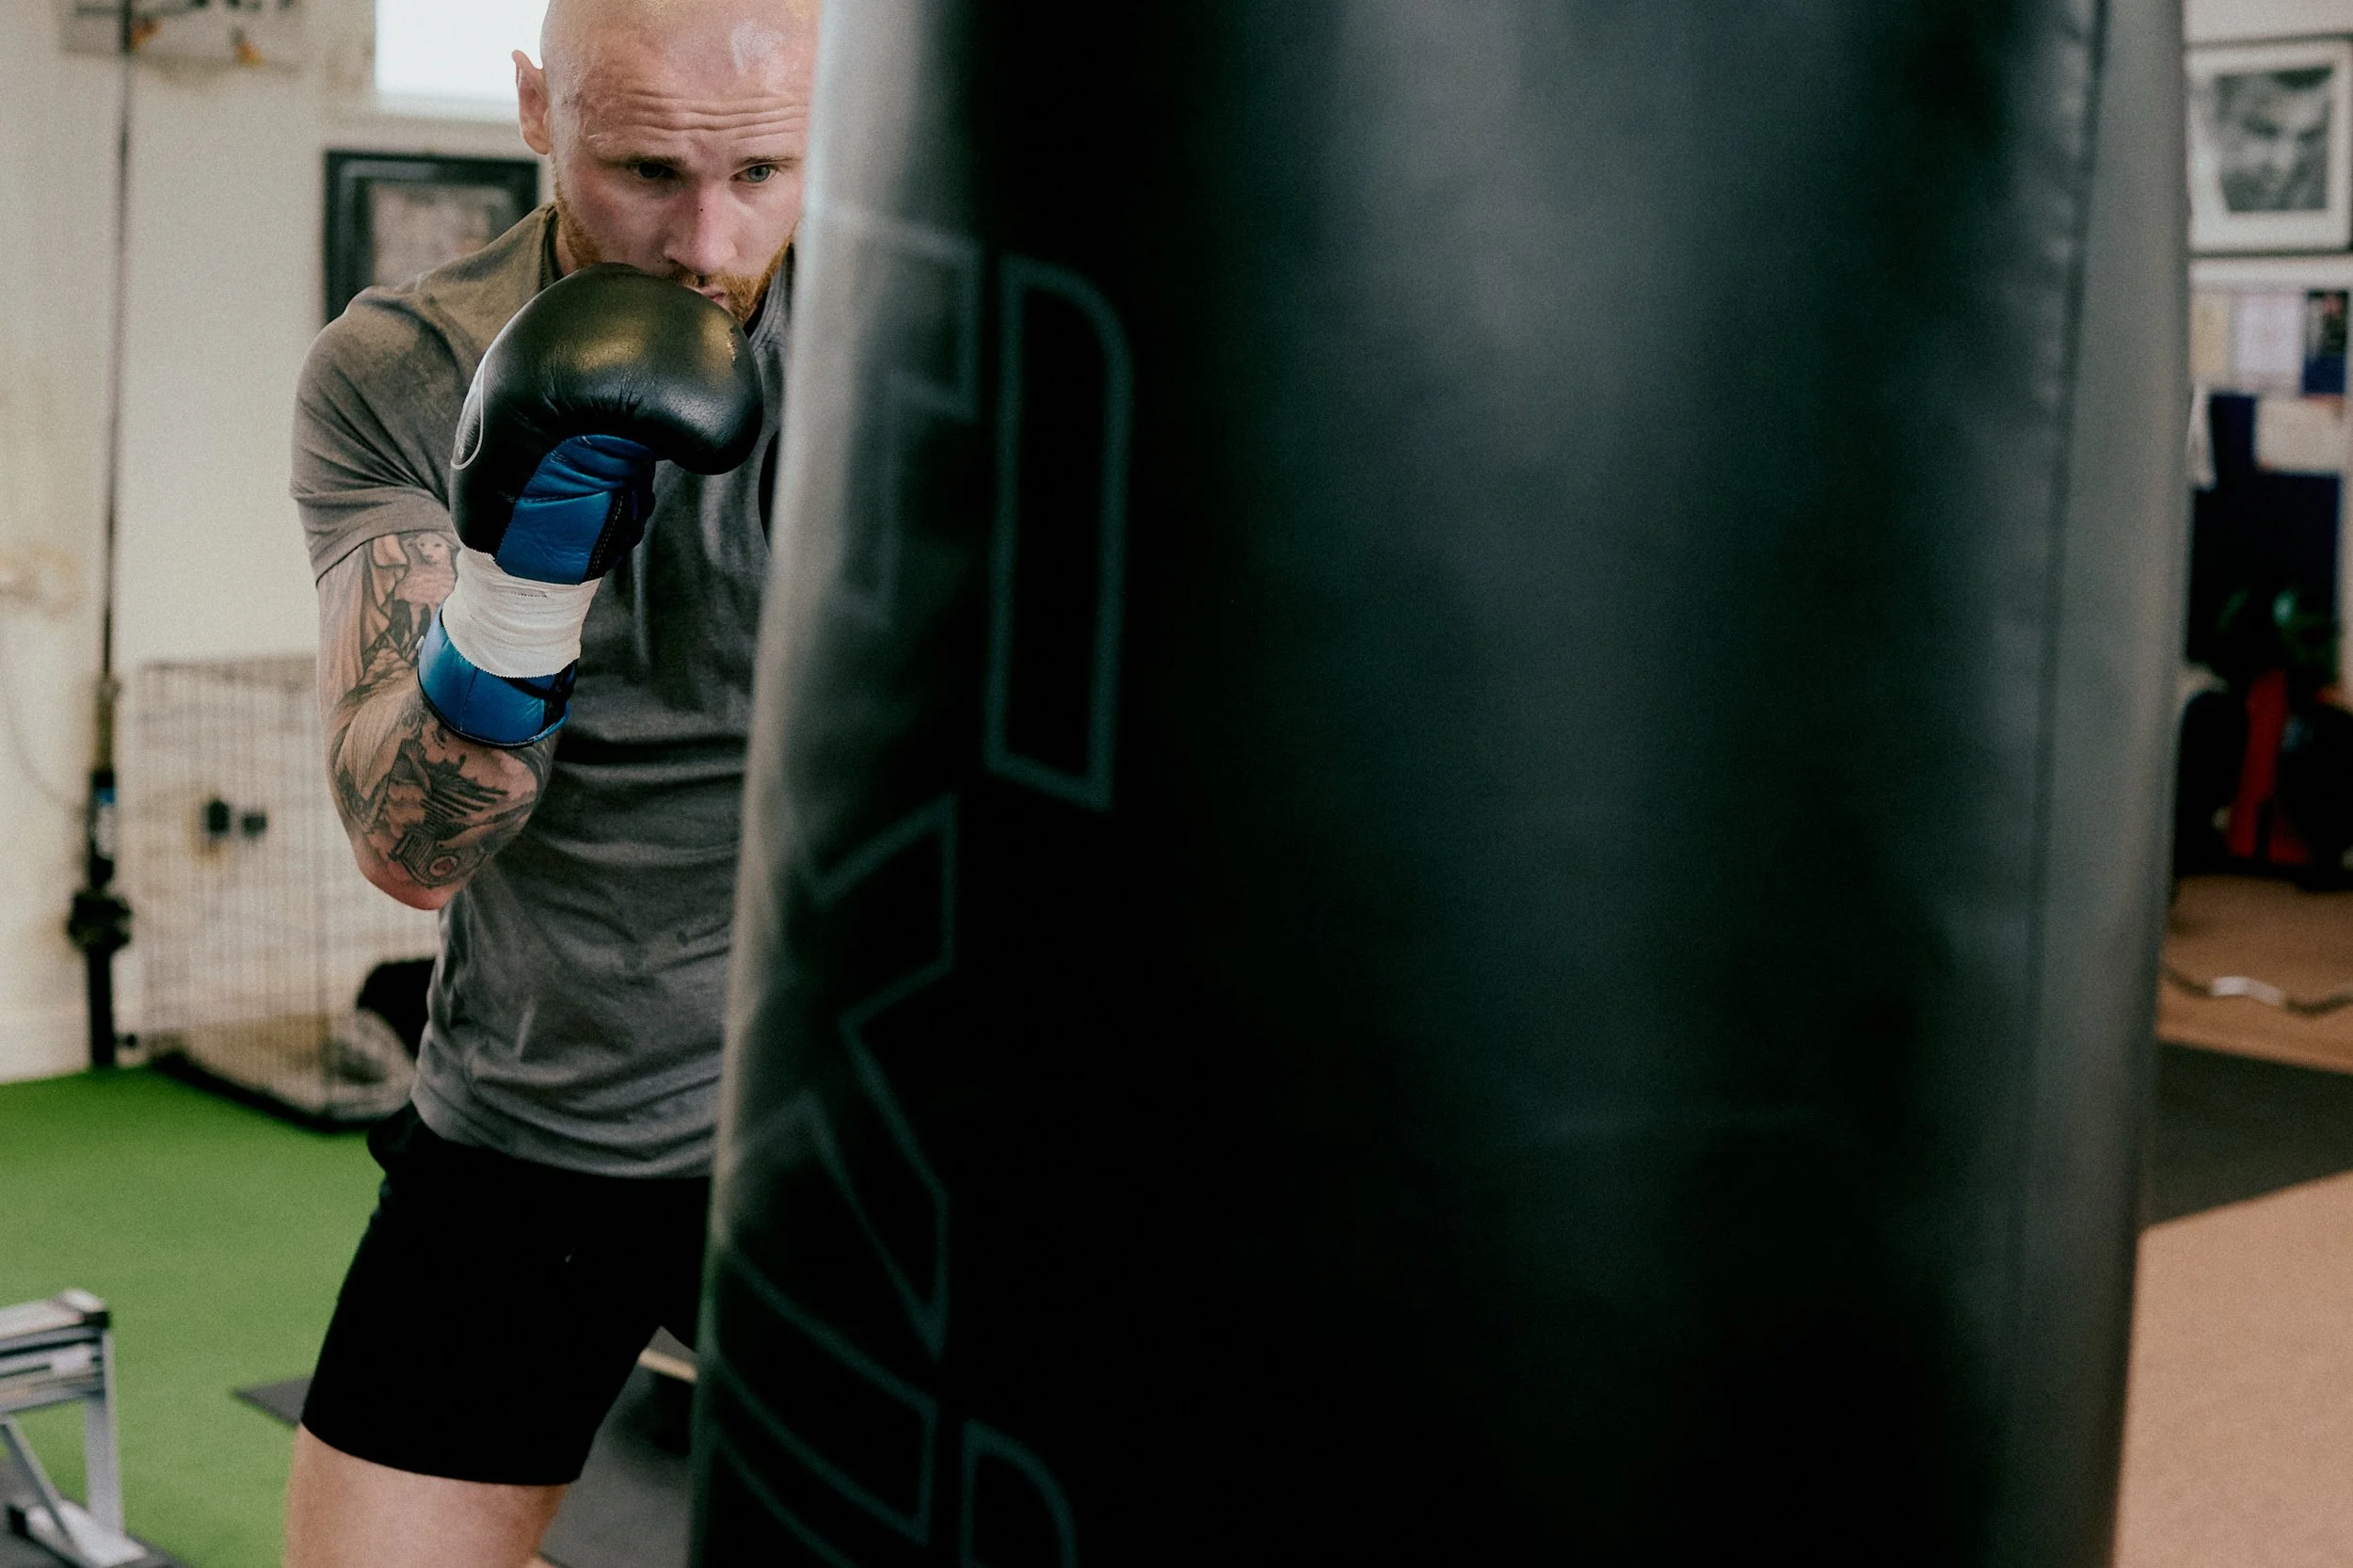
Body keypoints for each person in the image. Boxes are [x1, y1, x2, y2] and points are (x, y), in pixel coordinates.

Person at [281, 0, 815, 1562]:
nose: (707, 243)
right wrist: (522, 581)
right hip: (543, 1097)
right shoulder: (403, 366)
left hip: (853, 1118)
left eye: (765, 170)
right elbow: (409, 847)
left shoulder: (932, 345)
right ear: (534, 110)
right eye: (647, 168)